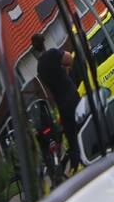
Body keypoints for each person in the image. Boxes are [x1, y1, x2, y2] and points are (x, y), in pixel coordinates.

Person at [32, 34, 81, 170]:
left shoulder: (39, 68)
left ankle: (77, 166)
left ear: (35, 49)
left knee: (72, 138)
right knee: (83, 126)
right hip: (72, 96)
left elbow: (49, 85)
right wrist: (66, 70)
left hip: (61, 105)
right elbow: (69, 58)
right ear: (44, 42)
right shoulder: (53, 54)